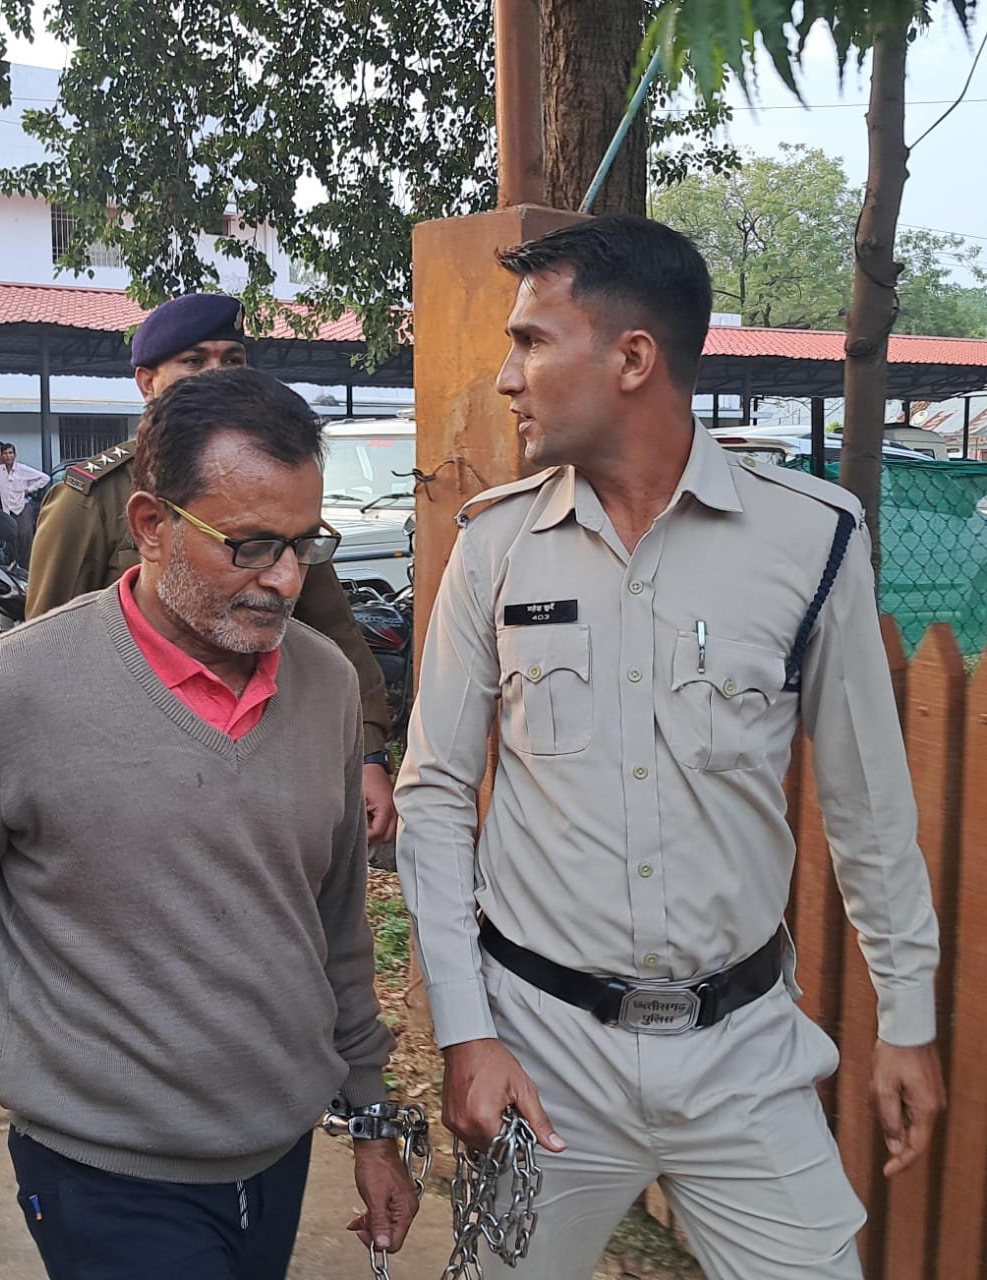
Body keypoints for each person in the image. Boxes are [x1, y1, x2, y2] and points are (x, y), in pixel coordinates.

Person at [395, 214, 943, 1280]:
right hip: (541, 1049)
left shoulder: (811, 538)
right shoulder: (495, 545)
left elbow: (868, 805)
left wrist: (907, 1016)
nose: (507, 377)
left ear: (633, 358)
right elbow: (435, 794)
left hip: (744, 1057)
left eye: (531, 342)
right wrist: (466, 1031)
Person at [0, 367, 419, 1278]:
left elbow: (337, 923)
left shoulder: (327, 685)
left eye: (306, 544)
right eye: (251, 546)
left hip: (278, 1147)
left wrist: (373, 1118)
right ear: (150, 525)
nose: (284, 578)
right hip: (100, 1175)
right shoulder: (8, 694)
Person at [28, 292, 397, 842]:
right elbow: (48, 644)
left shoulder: (276, 491)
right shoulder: (93, 498)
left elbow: (333, 626)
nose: (216, 375)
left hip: (256, 752)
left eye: (233, 360)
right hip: (127, 761)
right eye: (194, 361)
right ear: (147, 382)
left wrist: (368, 752)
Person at [0, 442, 50, 569]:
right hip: (8, 511)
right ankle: (17, 568)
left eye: (10, 453)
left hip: (22, 508)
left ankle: (28, 568)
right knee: (11, 540)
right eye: (5, 453)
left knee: (25, 537)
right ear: (2, 456)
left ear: (15, 455)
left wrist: (29, 489)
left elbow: (45, 478)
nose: (8, 456)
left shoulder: (22, 469)